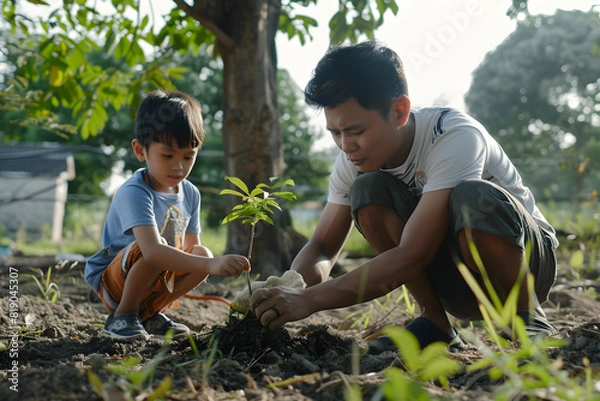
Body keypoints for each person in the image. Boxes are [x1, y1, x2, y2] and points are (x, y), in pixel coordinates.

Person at [250, 41, 558, 349]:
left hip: (527, 264)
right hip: (457, 279)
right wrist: (285, 291)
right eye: (335, 133)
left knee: (473, 196)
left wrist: (311, 300)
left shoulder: (455, 136)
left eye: (356, 131)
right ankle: (435, 321)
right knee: (368, 190)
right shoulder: (353, 161)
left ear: (399, 111)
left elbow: (413, 253)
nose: (345, 145)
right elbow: (322, 247)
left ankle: (526, 316)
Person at [85, 90, 250, 341]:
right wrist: (211, 265)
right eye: (167, 155)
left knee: (201, 253)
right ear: (141, 151)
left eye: (188, 156)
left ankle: (149, 313)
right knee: (159, 248)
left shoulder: (191, 194)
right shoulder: (135, 191)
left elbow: (190, 249)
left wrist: (207, 262)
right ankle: (123, 315)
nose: (178, 166)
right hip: (115, 281)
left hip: (157, 277)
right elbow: (151, 252)